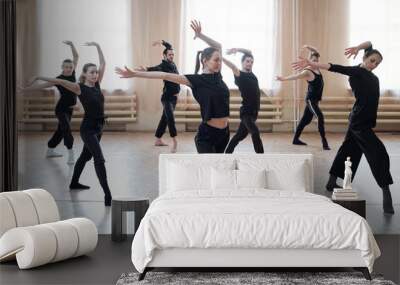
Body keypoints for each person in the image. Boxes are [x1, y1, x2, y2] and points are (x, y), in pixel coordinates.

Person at [292, 41, 394, 214]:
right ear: (365, 59)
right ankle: (386, 192)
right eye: (372, 61)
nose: (374, 65)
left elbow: (369, 43)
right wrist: (313, 64)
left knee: (349, 150)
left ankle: (332, 181)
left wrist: (358, 47)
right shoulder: (357, 71)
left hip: (363, 121)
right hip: (359, 123)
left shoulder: (369, 73)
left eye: (377, 63)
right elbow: (334, 67)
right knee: (378, 152)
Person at [116, 20, 231, 153]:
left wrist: (200, 35)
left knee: (219, 170)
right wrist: (136, 73)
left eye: (220, 60)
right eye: (216, 60)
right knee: (208, 169)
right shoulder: (195, 80)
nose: (219, 63)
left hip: (224, 134)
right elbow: (163, 75)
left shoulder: (218, 76)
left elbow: (219, 46)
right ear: (205, 61)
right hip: (207, 135)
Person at [30, 42, 113, 206]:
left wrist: (97, 46)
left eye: (96, 72)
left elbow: (103, 63)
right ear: (84, 74)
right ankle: (107, 195)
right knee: (99, 159)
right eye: (92, 72)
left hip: (99, 127)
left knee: (84, 156)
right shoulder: (79, 87)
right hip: (88, 128)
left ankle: (74, 182)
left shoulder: (97, 85)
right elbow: (59, 81)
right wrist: (39, 77)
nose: (95, 74)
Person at [21, 41, 79, 163]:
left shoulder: (73, 74)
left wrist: (72, 45)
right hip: (61, 109)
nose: (68, 69)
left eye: (70, 67)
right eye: (66, 67)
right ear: (62, 67)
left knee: (61, 130)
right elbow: (41, 86)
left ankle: (50, 150)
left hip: (70, 109)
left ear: (72, 68)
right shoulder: (57, 79)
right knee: (66, 128)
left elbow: (76, 57)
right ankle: (71, 152)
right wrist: (24, 89)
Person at [277, 45, 330, 150]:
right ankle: (324, 142)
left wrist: (307, 47)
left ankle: (295, 139)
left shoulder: (317, 68)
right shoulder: (307, 71)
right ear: (309, 61)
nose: (315, 62)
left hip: (315, 100)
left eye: (316, 61)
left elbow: (316, 51)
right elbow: (295, 76)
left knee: (305, 120)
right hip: (310, 100)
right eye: (313, 60)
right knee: (320, 117)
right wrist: (283, 79)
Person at [141, 40, 180, 152]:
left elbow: (169, 45)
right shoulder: (163, 65)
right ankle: (175, 141)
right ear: (164, 55)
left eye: (173, 54)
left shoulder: (172, 63)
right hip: (167, 98)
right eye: (169, 55)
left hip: (174, 98)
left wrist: (161, 42)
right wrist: (146, 69)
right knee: (170, 118)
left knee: (165, 119)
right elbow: (154, 69)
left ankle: (158, 139)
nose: (172, 56)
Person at [223, 48, 264, 153]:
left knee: (239, 136)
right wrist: (220, 57)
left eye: (251, 62)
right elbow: (232, 66)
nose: (249, 63)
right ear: (242, 62)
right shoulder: (240, 75)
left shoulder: (252, 75)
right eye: (247, 61)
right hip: (246, 113)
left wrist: (237, 49)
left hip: (254, 113)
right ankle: (262, 157)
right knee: (255, 132)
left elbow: (249, 51)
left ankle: (227, 153)